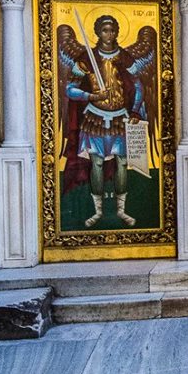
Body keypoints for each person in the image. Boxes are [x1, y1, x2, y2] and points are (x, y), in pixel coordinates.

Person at [58, 15, 157, 228]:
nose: (109, 34)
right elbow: (70, 88)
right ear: (97, 32)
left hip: (120, 118)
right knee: (97, 163)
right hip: (94, 118)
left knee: (122, 163)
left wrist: (135, 111)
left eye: (112, 30)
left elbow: (138, 86)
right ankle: (98, 212)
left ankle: (121, 211)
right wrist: (91, 97)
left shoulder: (125, 57)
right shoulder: (87, 58)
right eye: (105, 30)